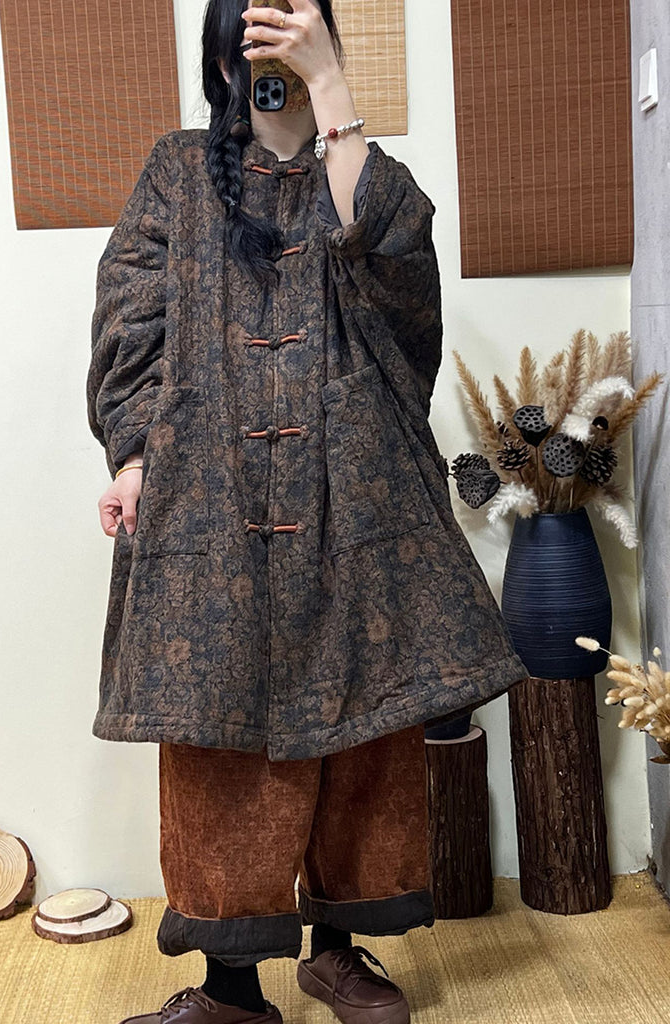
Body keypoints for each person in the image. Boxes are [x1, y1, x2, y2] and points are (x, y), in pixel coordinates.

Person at [86, 2, 529, 1022]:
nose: (277, 53)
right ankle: (232, 990)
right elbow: (131, 318)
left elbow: (404, 280)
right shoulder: (178, 171)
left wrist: (332, 91)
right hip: (211, 499)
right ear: (223, 57)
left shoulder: (360, 168)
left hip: (358, 493)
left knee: (364, 730)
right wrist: (135, 454)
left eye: (301, 30)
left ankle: (339, 954)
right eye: (259, 34)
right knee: (218, 739)